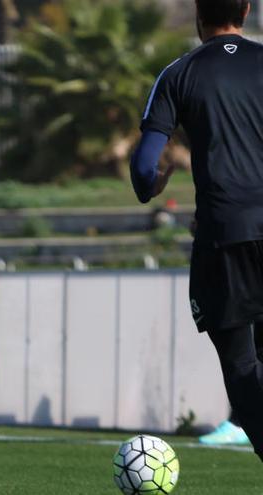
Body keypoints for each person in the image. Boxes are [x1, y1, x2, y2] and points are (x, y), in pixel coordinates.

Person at [130, 0, 263, 460]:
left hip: (223, 233)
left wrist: (157, 183)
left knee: (243, 366)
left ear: (196, 14)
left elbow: (144, 171)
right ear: (246, 10)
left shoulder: (178, 74)